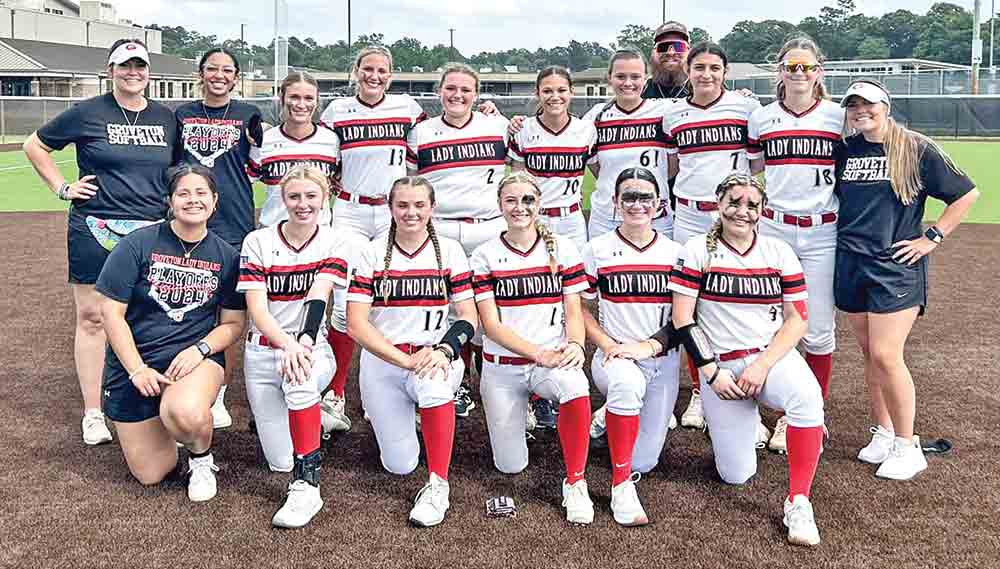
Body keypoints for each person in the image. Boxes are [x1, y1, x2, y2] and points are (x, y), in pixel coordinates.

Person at [23, 38, 179, 446]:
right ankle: (93, 412)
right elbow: (34, 145)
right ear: (110, 70)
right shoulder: (87, 112)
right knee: (93, 317)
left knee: (149, 315)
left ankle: (153, 403)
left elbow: (178, 170)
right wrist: (62, 188)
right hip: (96, 226)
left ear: (149, 71)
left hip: (151, 230)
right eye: (125, 66)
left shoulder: (166, 117)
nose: (133, 73)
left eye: (140, 66)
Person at [669, 172, 825, 546]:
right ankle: (746, 419)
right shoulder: (696, 249)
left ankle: (799, 501)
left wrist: (763, 364)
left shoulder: (778, 252)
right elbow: (682, 318)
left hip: (766, 359)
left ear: (762, 211)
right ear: (718, 204)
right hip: (720, 369)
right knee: (735, 474)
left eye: (752, 205)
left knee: (807, 400)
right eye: (734, 202)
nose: (742, 211)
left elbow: (797, 320)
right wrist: (710, 372)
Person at [834, 80, 979, 480]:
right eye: (854, 105)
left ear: (886, 105)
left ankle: (907, 444)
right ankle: (883, 433)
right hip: (851, 261)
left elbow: (965, 194)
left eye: (870, 104)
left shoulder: (914, 147)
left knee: (886, 354)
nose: (862, 111)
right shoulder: (846, 149)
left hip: (893, 266)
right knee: (869, 355)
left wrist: (931, 237)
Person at [95, 164, 245, 501]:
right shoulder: (137, 244)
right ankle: (171, 424)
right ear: (170, 200)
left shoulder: (227, 256)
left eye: (201, 193)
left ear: (215, 200)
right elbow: (111, 314)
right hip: (138, 363)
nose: (193, 200)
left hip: (192, 359)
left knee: (185, 413)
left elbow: (233, 325)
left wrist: (201, 349)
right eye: (184, 193)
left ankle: (201, 458)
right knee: (152, 474)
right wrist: (136, 368)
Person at [346, 176, 479, 527]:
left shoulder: (449, 251)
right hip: (385, 362)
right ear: (390, 208)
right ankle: (409, 421)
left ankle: (438, 485)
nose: (411, 212)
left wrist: (446, 351)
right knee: (399, 464)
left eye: (419, 205)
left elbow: (469, 317)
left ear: (432, 208)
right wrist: (404, 360)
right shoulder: (372, 251)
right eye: (402, 205)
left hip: (433, 356)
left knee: (435, 385)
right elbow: (356, 324)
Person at [471, 172, 594, 525]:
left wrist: (576, 344)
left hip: (549, 362)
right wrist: (538, 353)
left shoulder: (564, 248)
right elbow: (490, 326)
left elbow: (574, 310)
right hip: (503, 366)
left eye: (528, 200)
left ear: (539, 204)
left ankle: (575, 482)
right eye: (511, 200)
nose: (520, 207)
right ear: (500, 205)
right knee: (510, 466)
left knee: (575, 385)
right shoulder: (485, 254)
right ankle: (525, 410)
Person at [318, 46, 428, 433]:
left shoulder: (408, 108)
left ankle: (386, 389)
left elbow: (425, 149)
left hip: (390, 211)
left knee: (392, 297)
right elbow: (326, 157)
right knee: (348, 302)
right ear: (356, 71)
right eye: (368, 68)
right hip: (348, 208)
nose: (374, 76)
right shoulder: (336, 111)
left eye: (382, 70)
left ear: (391, 74)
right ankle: (335, 392)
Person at [238, 165, 351, 527]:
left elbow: (319, 296)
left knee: (300, 379)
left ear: (325, 198)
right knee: (278, 461)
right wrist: (285, 343)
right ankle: (316, 418)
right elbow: (256, 307)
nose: (303, 204)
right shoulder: (258, 240)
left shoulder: (334, 240)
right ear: (282, 199)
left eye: (311, 196)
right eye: (294, 196)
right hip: (262, 351)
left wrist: (300, 343)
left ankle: (307, 487)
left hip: (311, 349)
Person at [662, 42, 765, 440]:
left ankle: (749, 403)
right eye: (700, 67)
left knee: (738, 301)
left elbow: (756, 167)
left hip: (734, 214)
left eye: (715, 68)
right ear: (687, 70)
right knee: (694, 304)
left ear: (726, 71)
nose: (707, 74)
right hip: (688, 213)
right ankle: (702, 392)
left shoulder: (746, 109)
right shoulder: (673, 116)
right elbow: (673, 164)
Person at [746, 37, 843, 453]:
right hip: (774, 228)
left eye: (806, 67)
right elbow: (753, 168)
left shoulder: (840, 118)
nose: (799, 74)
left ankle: (806, 415)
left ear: (819, 71)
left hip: (822, 231)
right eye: (791, 67)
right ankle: (746, 412)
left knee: (817, 329)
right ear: (780, 72)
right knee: (757, 321)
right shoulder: (762, 118)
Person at [249, 71, 356, 434]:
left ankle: (329, 392)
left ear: (316, 102)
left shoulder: (330, 139)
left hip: (319, 240)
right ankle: (269, 391)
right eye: (294, 97)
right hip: (273, 239)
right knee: (267, 313)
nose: (301, 104)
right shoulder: (264, 139)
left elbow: (338, 180)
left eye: (309, 98)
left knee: (330, 312)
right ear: (282, 98)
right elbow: (245, 177)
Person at [406, 63, 510, 417]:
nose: (457, 95)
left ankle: (495, 377)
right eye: (451, 88)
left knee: (493, 303)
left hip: (488, 225)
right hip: (443, 228)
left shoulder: (497, 126)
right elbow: (411, 181)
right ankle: (459, 383)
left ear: (476, 94)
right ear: (439, 91)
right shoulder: (421, 133)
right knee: (449, 308)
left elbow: (522, 166)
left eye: (466, 89)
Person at [580, 167, 683, 526]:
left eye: (645, 198)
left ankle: (605, 416)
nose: (637, 204)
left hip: (661, 358)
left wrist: (650, 346)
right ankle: (621, 486)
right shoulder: (597, 249)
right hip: (614, 356)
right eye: (629, 197)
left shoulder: (676, 253)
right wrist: (607, 343)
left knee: (646, 461)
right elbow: (577, 306)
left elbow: (686, 319)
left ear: (659, 205)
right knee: (626, 386)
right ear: (615, 202)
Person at [175, 46, 265, 430]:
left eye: (227, 70)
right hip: (192, 219)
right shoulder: (181, 114)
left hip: (234, 222)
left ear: (236, 76)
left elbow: (263, 162)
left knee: (229, 311)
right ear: (201, 73)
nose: (219, 75)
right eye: (212, 68)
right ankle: (186, 382)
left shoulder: (250, 114)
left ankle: (220, 393)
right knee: (192, 301)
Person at [582, 49, 673, 239]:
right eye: (620, 76)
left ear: (646, 78)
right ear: (609, 78)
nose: (628, 83)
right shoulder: (596, 116)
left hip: (655, 216)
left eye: (635, 77)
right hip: (607, 217)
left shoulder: (665, 112)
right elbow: (595, 165)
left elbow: (673, 166)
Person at [508, 66, 596, 252]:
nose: (555, 96)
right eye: (547, 91)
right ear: (537, 93)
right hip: (535, 217)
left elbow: (601, 174)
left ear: (571, 92)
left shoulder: (586, 130)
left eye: (561, 90)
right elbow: (517, 182)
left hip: (572, 220)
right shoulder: (523, 129)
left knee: (574, 276)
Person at [642, 21, 691, 100]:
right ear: (653, 52)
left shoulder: (702, 90)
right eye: (663, 47)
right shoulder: (638, 90)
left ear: (689, 52)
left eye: (679, 46)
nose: (671, 52)